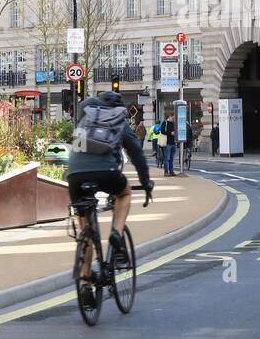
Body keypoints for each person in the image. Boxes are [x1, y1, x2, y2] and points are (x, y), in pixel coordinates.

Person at [66, 91, 154, 309]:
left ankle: (85, 285)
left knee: (87, 228)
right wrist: (146, 181)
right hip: (106, 173)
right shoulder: (119, 120)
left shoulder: (85, 117)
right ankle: (116, 233)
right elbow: (137, 155)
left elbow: (77, 149)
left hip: (75, 176)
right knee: (124, 193)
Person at [161, 111, 177, 175]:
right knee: (167, 158)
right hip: (167, 143)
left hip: (173, 143)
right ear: (170, 116)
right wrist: (170, 133)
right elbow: (162, 131)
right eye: (173, 118)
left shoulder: (174, 123)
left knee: (171, 159)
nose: (174, 119)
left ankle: (171, 171)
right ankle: (166, 172)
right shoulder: (165, 123)